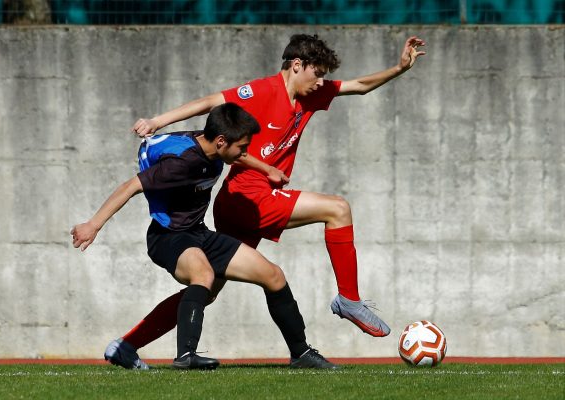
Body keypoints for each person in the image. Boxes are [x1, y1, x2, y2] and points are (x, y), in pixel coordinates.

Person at [106, 33, 426, 369]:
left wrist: (399, 68)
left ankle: (126, 345)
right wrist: (158, 121)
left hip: (247, 204)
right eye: (316, 73)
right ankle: (348, 299)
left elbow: (359, 85)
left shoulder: (311, 96)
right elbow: (211, 101)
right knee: (338, 208)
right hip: (247, 195)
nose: (321, 82)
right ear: (296, 65)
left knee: (210, 290)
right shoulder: (261, 90)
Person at [71, 103, 337, 370]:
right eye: (243, 146)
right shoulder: (181, 163)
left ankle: (301, 354)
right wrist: (93, 225)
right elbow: (131, 186)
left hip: (198, 232)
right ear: (221, 141)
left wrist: (265, 169)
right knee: (204, 277)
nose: (245, 153)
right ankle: (186, 356)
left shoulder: (215, 143)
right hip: (168, 237)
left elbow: (236, 154)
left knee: (273, 276)